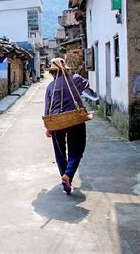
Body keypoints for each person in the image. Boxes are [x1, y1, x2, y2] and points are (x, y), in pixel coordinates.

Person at [44, 58, 89, 194]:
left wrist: (49, 127)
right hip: (76, 119)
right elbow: (87, 87)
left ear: (52, 72)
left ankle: (65, 181)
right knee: (77, 149)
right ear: (66, 69)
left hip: (57, 121)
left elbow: (47, 109)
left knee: (60, 152)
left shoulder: (50, 87)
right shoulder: (76, 78)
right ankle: (68, 175)